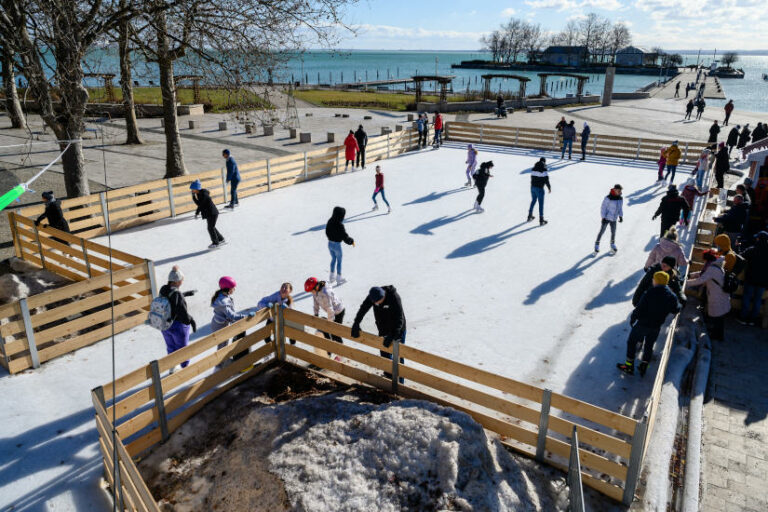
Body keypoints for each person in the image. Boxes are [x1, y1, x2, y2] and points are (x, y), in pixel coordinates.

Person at [617, 271, 681, 377]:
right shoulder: (671, 296)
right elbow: (676, 309)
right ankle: (644, 366)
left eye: (654, 279)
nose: (652, 280)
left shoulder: (649, 293)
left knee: (632, 342)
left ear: (656, 281)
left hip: (642, 324)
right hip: (656, 326)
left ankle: (629, 366)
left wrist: (633, 318)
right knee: (649, 345)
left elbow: (639, 308)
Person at [351, 286, 406, 382]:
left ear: (384, 296)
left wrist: (393, 335)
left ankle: (400, 383)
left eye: (379, 301)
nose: (377, 304)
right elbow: (363, 308)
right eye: (375, 302)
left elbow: (399, 319)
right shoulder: (373, 297)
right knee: (384, 354)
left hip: (398, 329)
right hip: (383, 329)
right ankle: (389, 378)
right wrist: (356, 323)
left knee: (398, 355)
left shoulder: (394, 297)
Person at [159, 266, 197, 370]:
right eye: (181, 280)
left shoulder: (163, 289)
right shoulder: (177, 294)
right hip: (177, 326)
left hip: (164, 325)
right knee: (182, 349)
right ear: (177, 282)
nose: (182, 282)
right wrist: (191, 320)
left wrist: (184, 294)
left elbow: (171, 300)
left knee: (171, 346)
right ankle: (184, 369)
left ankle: (172, 367)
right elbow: (183, 315)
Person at [211, 276, 255, 362]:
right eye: (233, 288)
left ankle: (224, 361)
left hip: (221, 324)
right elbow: (231, 315)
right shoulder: (223, 302)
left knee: (225, 343)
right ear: (228, 289)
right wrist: (245, 316)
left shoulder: (223, 296)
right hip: (219, 326)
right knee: (222, 345)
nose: (234, 289)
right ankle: (221, 364)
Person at [685, 257, 730, 341]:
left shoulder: (712, 269)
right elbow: (703, 274)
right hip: (721, 295)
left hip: (716, 295)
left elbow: (700, 280)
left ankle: (718, 336)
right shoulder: (719, 268)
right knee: (719, 316)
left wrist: (686, 283)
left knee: (718, 317)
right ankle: (716, 332)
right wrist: (691, 275)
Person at [305, 277, 346, 357]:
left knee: (335, 334)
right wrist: (316, 315)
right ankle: (328, 352)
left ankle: (340, 355)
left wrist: (329, 324)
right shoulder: (315, 291)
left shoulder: (325, 293)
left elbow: (331, 311)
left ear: (316, 286)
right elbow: (315, 303)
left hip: (338, 311)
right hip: (330, 311)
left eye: (311, 290)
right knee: (326, 330)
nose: (311, 292)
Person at [737, 231, 768, 326]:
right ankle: (752, 320)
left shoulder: (752, 249)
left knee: (747, 297)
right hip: (763, 281)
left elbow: (740, 256)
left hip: (751, 278)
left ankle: (743, 318)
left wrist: (738, 246)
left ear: (758, 239)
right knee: (757, 300)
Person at [190, 179, 225, 249]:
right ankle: (221, 239)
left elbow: (199, 204)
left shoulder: (203, 195)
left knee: (210, 228)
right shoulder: (199, 194)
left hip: (212, 213)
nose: (191, 190)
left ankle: (216, 243)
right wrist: (197, 213)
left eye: (192, 189)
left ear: (196, 188)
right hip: (210, 213)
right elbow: (201, 205)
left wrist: (193, 198)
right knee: (212, 227)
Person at [325, 206, 354, 284]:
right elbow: (344, 236)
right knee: (339, 261)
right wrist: (350, 241)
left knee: (333, 259)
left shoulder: (330, 221)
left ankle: (331, 277)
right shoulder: (340, 225)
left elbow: (327, 232)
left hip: (330, 244)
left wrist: (330, 238)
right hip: (337, 245)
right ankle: (339, 278)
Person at [594, 184, 623, 253]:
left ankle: (612, 244)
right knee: (602, 231)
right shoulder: (608, 198)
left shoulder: (620, 198)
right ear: (615, 190)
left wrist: (621, 216)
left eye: (620, 191)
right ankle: (597, 244)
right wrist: (603, 217)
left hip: (614, 218)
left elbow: (620, 208)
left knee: (613, 232)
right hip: (606, 218)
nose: (620, 192)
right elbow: (603, 208)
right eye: (618, 191)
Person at [527, 157, 551, 226]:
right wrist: (549, 188)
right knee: (541, 204)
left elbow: (532, 178)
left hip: (532, 187)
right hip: (540, 189)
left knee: (533, 200)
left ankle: (529, 215)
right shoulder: (544, 170)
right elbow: (546, 180)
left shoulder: (533, 169)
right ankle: (541, 220)